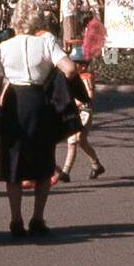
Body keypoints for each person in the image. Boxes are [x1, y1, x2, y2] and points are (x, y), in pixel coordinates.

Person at [0, 0, 77, 235]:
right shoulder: (47, 42)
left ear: (15, 19)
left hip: (14, 103)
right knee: (44, 160)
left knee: (13, 161)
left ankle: (15, 218)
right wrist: (54, 81)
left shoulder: (5, 47)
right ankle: (37, 217)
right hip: (40, 102)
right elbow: (70, 69)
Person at [57, 46, 104, 182]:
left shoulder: (85, 77)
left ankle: (67, 171)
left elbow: (89, 95)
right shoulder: (73, 78)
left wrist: (72, 103)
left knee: (76, 140)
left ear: (83, 65)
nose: (75, 65)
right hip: (75, 112)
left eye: (77, 63)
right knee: (78, 141)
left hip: (84, 112)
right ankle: (95, 165)